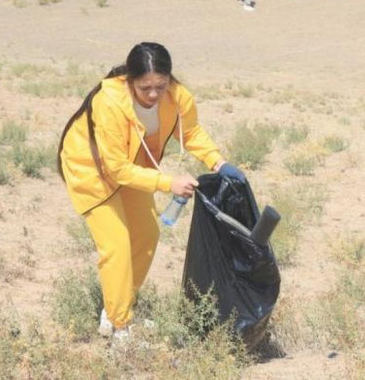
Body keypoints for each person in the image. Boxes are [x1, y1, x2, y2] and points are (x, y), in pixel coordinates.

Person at [57, 42, 246, 343]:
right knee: (116, 244)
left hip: (134, 165)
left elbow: (192, 132)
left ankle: (116, 306)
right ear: (129, 81)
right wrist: (166, 182)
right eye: (145, 88)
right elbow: (116, 169)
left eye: (161, 85)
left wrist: (219, 162)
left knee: (146, 235)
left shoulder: (177, 97)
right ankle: (120, 329)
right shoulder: (109, 103)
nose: (154, 94)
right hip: (91, 170)